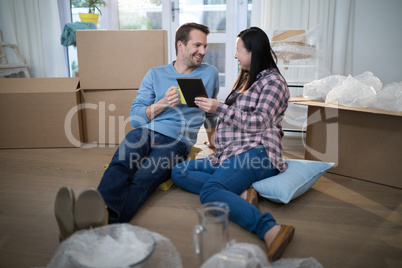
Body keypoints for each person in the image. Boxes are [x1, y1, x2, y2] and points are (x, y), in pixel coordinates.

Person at [54, 23, 219, 240]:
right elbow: (135, 118)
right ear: (180, 45)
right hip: (145, 132)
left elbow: (210, 114)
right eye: (197, 45)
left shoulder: (210, 73)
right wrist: (162, 103)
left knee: (144, 177)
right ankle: (97, 222)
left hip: (178, 142)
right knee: (121, 166)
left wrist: (214, 142)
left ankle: (88, 230)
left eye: (205, 46)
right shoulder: (155, 74)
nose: (203, 51)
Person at [171, 27, 294, 262]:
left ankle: (271, 229)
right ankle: (241, 193)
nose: (235, 56)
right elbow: (233, 116)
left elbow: (260, 121)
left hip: (258, 151)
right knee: (179, 170)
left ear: (253, 51)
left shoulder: (274, 83)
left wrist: (219, 107)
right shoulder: (248, 77)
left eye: (238, 50)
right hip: (231, 153)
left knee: (210, 191)